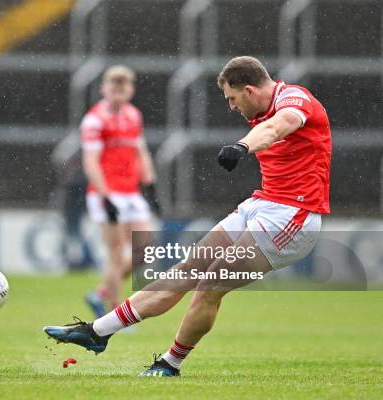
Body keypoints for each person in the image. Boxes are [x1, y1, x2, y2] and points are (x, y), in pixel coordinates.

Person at [44, 56, 331, 377]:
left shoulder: (294, 100)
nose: (232, 107)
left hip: (294, 216)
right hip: (261, 204)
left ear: (249, 90)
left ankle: (170, 363)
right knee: (186, 270)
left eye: (232, 99)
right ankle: (97, 332)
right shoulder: (261, 106)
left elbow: (278, 127)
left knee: (210, 284)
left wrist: (241, 146)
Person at [80, 65, 157, 318]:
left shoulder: (133, 115)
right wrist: (105, 197)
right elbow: (91, 162)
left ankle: (99, 293)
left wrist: (150, 184)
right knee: (115, 253)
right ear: (104, 88)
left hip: (131, 191)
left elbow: (140, 151)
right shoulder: (94, 120)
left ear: (130, 90)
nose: (117, 91)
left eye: (122, 87)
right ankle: (114, 312)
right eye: (113, 86)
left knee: (144, 249)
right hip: (106, 193)